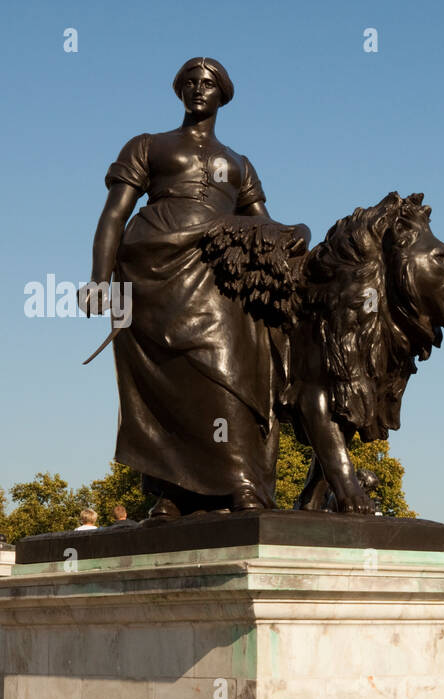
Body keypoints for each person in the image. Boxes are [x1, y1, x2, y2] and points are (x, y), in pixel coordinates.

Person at [80, 57, 305, 519]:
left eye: (208, 83)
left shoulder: (239, 164)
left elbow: (259, 221)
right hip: (153, 272)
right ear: (179, 91)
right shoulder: (148, 146)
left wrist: (292, 232)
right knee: (168, 382)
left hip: (218, 272)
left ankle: (241, 482)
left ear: (223, 94)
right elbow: (113, 215)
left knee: (227, 372)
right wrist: (99, 280)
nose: (199, 89)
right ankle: (172, 493)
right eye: (190, 82)